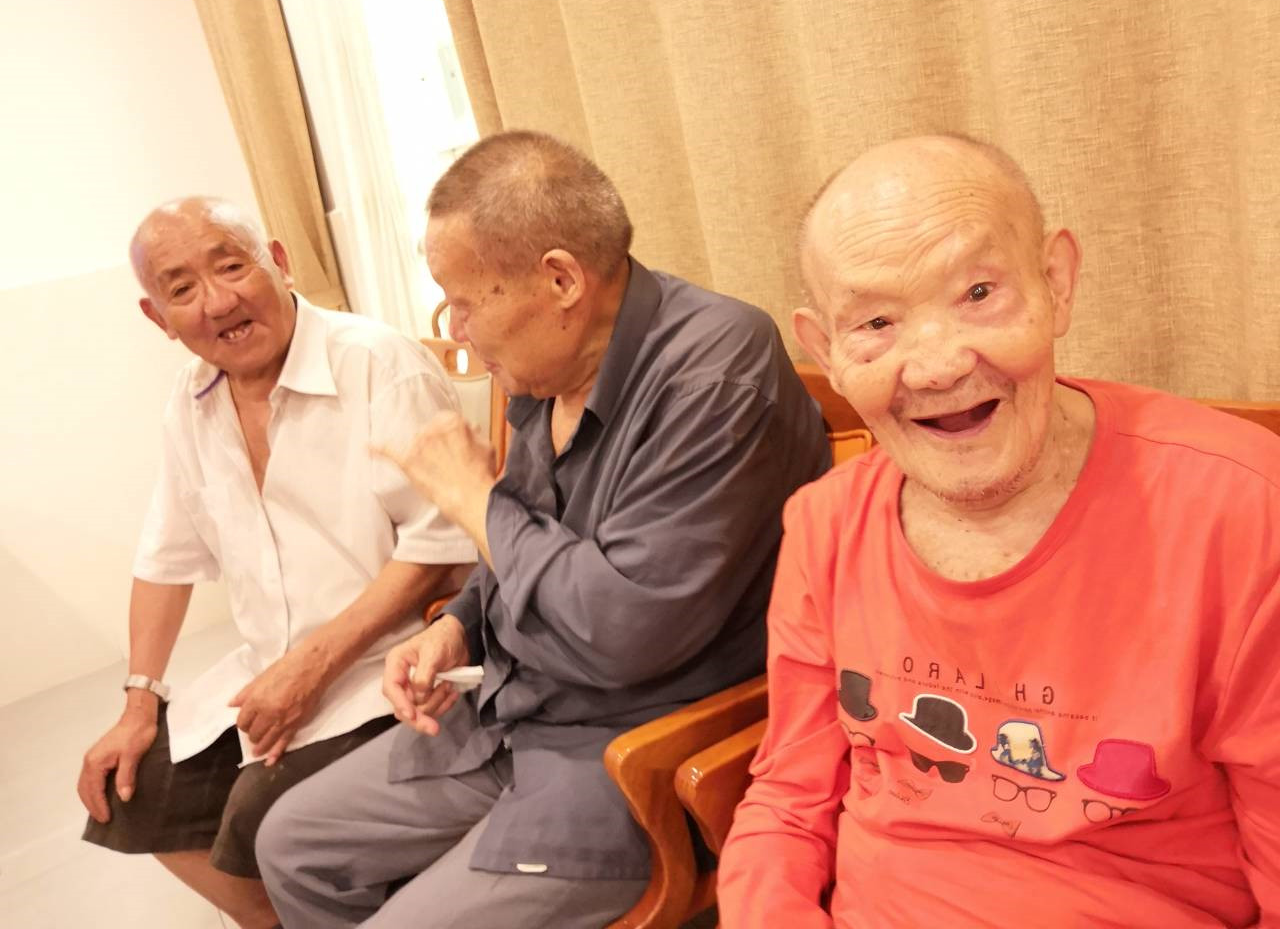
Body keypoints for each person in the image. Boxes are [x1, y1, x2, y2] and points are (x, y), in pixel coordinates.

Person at [255, 130, 831, 927]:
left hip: (638, 745)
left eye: (464, 301)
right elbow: (526, 537)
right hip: (513, 706)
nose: (456, 328)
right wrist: (459, 626)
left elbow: (624, 629)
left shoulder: (714, 367)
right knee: (290, 842)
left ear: (561, 279)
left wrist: (472, 495)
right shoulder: (546, 369)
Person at [716, 134, 1280, 927]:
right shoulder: (825, 522)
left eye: (978, 292)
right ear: (827, 352)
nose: (938, 365)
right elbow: (788, 794)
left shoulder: (1242, 509)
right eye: (876, 321)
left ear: (1056, 282)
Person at [78, 197, 475, 929]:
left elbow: (440, 547)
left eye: (232, 266)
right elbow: (164, 557)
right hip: (270, 674)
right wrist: (139, 705)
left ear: (280, 262)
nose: (218, 301)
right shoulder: (191, 401)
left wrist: (311, 668)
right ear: (158, 318)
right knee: (129, 787)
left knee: (261, 812)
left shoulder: (375, 362)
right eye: (183, 288)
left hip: (391, 668)